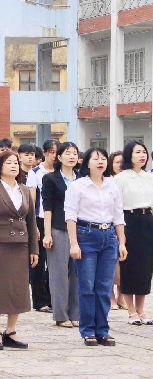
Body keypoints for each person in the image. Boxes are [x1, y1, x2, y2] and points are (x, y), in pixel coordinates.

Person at [64, 147, 127, 346]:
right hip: (86, 235)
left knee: (104, 286)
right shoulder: (77, 186)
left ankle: (103, 329)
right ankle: (88, 329)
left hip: (108, 236)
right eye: (95, 159)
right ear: (87, 163)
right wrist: (74, 243)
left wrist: (122, 242)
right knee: (87, 286)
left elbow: (118, 216)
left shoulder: (112, 186)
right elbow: (71, 216)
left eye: (103, 159)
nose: (100, 162)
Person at [0, 151, 38, 350]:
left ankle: (11, 330)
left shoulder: (24, 190)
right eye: (9, 163)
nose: (14, 166)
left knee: (18, 289)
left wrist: (34, 249)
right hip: (0, 245)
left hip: (21, 245)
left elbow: (31, 222)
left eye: (15, 163)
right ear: (0, 167)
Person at [112, 141, 153, 326]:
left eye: (144, 152)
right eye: (138, 152)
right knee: (129, 266)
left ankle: (141, 310)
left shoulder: (149, 177)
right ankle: (131, 311)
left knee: (145, 267)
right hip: (128, 221)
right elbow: (116, 207)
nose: (142, 155)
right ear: (129, 155)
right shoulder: (120, 178)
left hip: (147, 221)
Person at [42, 142, 81, 328]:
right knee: (59, 274)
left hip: (80, 229)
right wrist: (47, 233)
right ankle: (60, 314)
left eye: (74, 153)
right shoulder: (50, 178)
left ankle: (75, 313)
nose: (72, 156)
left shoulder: (82, 178)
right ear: (59, 157)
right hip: (58, 228)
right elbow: (47, 207)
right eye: (67, 153)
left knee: (77, 274)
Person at [25, 139, 57, 314]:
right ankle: (40, 300)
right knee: (39, 261)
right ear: (44, 153)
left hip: (58, 221)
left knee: (55, 262)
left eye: (57, 152)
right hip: (40, 219)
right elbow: (31, 201)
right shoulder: (35, 172)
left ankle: (54, 298)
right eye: (52, 152)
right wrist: (33, 226)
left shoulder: (62, 172)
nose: (54, 156)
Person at [106, 151, 127, 310]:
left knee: (125, 260)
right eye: (116, 162)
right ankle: (111, 295)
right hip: (111, 223)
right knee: (112, 261)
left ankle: (121, 295)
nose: (120, 165)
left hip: (128, 221)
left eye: (122, 162)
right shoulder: (107, 181)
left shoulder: (127, 179)